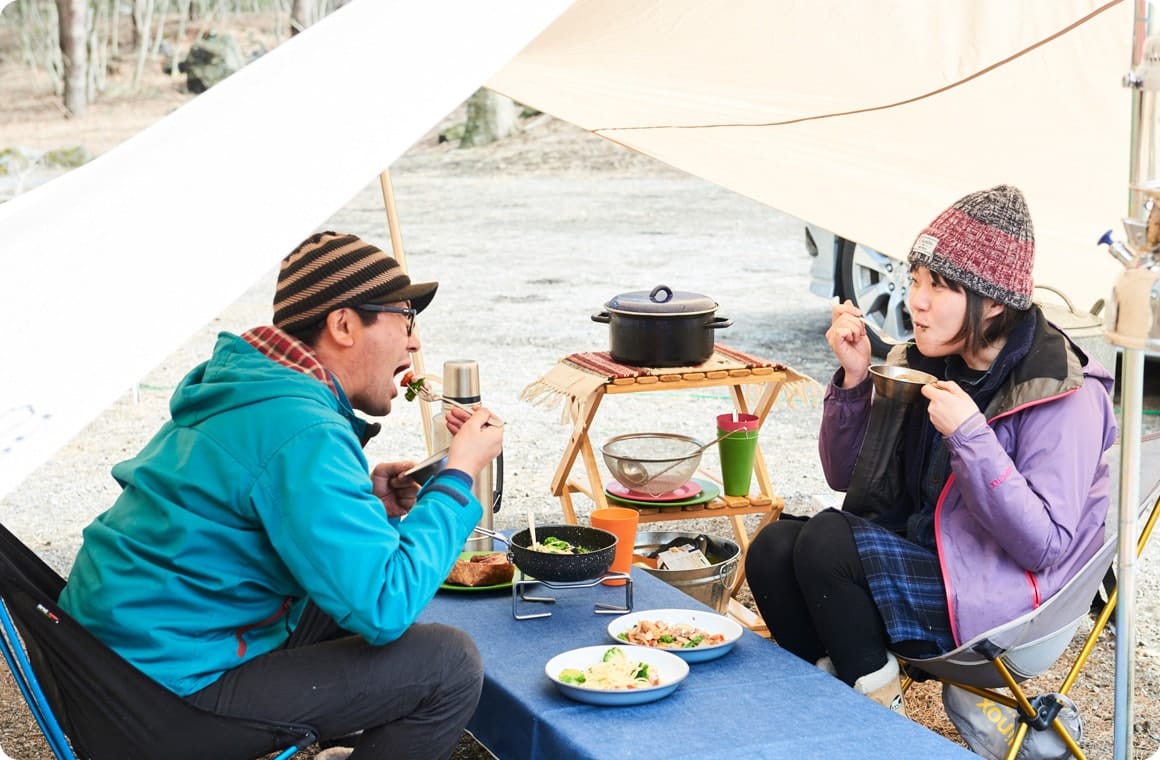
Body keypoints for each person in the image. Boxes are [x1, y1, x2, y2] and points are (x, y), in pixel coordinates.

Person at [58, 231, 504, 760]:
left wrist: (370, 504)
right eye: (405, 319)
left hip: (104, 669)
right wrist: (458, 478)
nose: (413, 343)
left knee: (339, 593)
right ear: (343, 325)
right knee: (447, 664)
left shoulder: (252, 389)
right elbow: (386, 608)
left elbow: (246, 511)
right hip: (158, 703)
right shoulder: (301, 427)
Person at [744, 185, 1117, 714]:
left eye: (939, 287)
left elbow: (1046, 546)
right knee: (774, 548)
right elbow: (843, 473)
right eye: (915, 278)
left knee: (828, 540)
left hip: (1002, 597)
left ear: (992, 304)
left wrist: (971, 437)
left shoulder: (1060, 393)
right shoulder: (925, 360)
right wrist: (853, 381)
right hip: (926, 556)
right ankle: (838, 703)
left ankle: (878, 724)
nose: (916, 299)